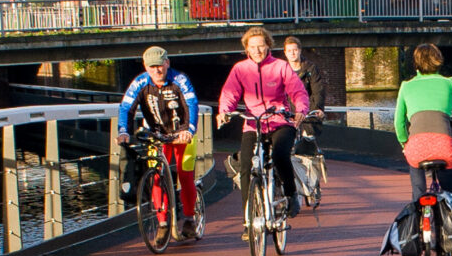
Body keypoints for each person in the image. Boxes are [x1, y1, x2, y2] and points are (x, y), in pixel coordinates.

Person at [393, 43, 452, 256]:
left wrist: (405, 144)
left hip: (416, 150)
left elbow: (398, 123)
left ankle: (419, 233)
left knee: (418, 195)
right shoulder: (448, 83)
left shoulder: (406, 86)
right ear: (438, 60)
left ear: (416, 63)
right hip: (443, 148)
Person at [216, 25, 310, 224]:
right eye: (252, 47)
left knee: (280, 155)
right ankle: (248, 219)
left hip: (279, 121)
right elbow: (230, 93)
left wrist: (301, 110)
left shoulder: (280, 67)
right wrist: (224, 111)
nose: (257, 51)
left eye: (261, 46)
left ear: (268, 46)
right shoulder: (240, 69)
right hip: (253, 123)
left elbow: (297, 91)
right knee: (245, 167)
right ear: (246, 49)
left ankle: (291, 194)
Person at [118, 44, 202, 237]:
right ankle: (162, 223)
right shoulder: (140, 82)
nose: (157, 70)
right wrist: (123, 131)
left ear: (167, 63)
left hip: (182, 134)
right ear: (145, 67)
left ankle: (189, 218)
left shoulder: (180, 79)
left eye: (160, 65)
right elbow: (126, 107)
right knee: (156, 177)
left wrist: (189, 130)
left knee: (184, 175)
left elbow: (192, 103)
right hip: (157, 135)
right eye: (152, 67)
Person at [281, 36, 326, 204]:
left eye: (295, 50)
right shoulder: (281, 69)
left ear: (300, 51)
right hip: (289, 115)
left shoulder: (310, 69)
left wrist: (316, 109)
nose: (293, 53)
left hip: (306, 113)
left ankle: (314, 184)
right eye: (289, 51)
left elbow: (317, 91)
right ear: (285, 53)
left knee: (309, 149)